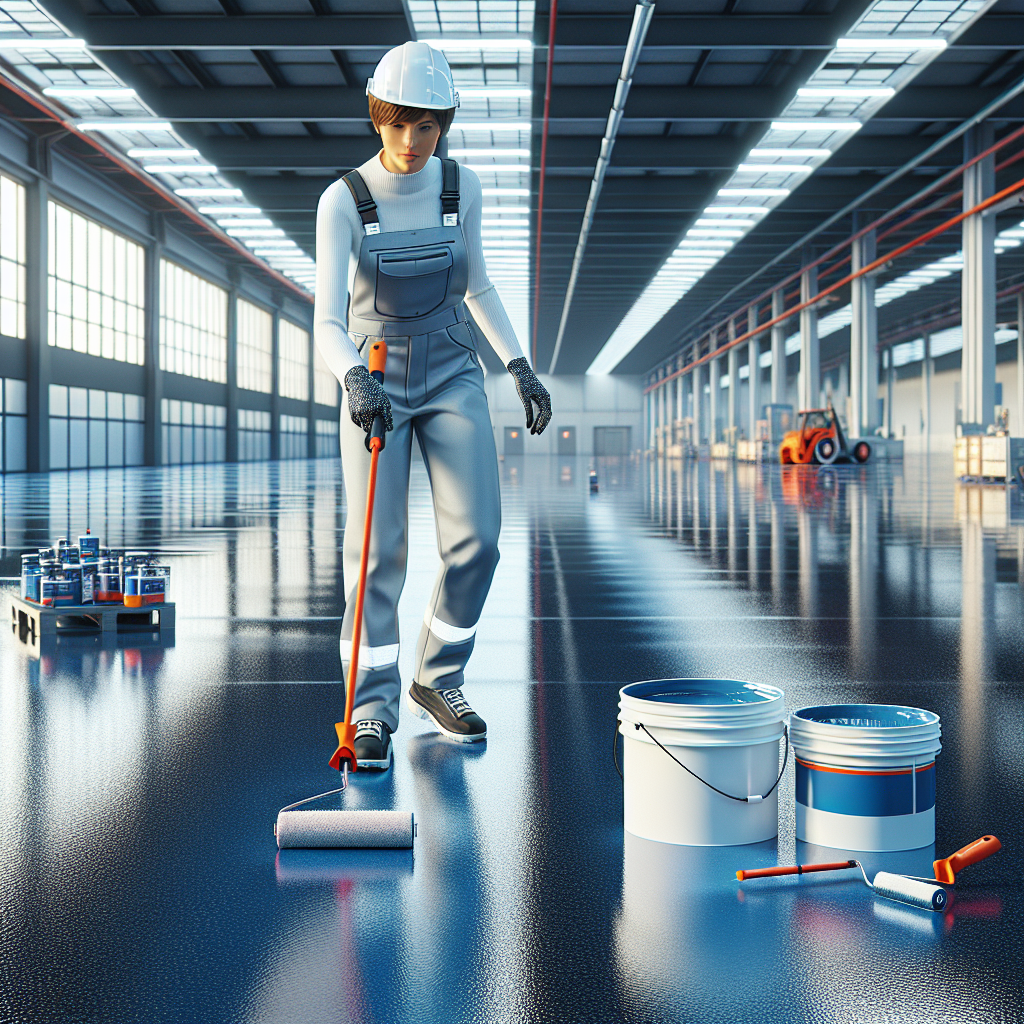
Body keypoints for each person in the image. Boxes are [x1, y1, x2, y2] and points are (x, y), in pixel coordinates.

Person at [314, 41, 552, 771]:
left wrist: (518, 363)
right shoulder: (343, 200)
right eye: (398, 125)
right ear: (376, 117)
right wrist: (354, 380)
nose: (412, 143)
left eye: (427, 126)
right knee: (376, 554)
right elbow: (325, 316)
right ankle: (370, 711)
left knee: (478, 539)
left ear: (444, 122)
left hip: (453, 368)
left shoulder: (461, 187)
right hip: (376, 375)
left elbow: (476, 285)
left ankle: (438, 681)